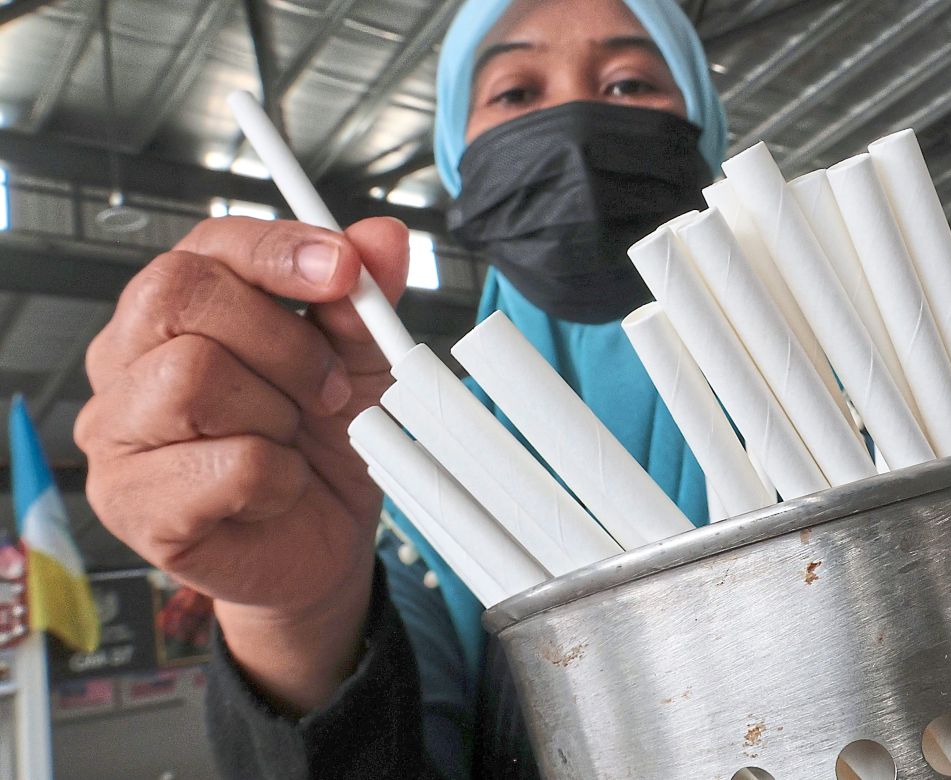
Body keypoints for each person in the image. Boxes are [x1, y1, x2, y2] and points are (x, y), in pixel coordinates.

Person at [73, 0, 727, 776]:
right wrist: (297, 617)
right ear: (460, 160)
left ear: (703, 127)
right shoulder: (414, 489)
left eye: (627, 84)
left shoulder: (860, 383)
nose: (576, 130)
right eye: (516, 93)